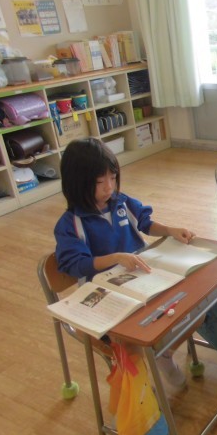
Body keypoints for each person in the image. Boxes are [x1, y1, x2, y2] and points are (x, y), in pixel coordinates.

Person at [54, 137, 195, 389]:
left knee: (191, 307)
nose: (109, 187)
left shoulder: (120, 202)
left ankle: (163, 354)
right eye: (100, 182)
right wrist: (116, 258)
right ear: (78, 183)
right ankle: (144, 385)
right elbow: (77, 265)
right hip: (105, 294)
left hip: (141, 280)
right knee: (136, 339)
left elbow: (145, 222)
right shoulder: (70, 224)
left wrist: (170, 230)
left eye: (113, 177)